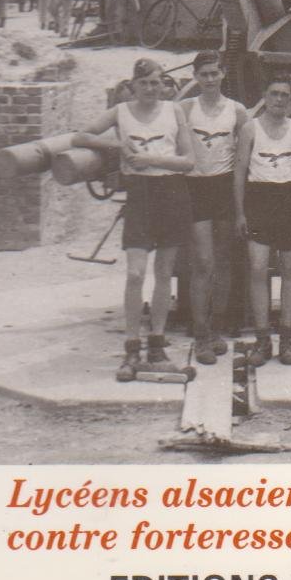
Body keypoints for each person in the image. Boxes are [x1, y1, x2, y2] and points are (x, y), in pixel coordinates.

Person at [72, 57, 196, 380]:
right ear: (133, 85)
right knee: (135, 273)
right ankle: (131, 348)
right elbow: (80, 136)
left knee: (164, 272)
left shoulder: (174, 111)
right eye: (144, 83)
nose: (150, 89)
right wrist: (116, 144)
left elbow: (188, 161)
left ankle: (156, 345)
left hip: (171, 192)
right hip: (140, 195)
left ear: (163, 85)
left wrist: (150, 158)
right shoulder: (121, 112)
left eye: (156, 83)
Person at [234, 72, 291, 368]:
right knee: (258, 270)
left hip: (289, 200)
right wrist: (240, 212)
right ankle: (262, 340)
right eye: (274, 93)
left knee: (288, 271)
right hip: (259, 199)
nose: (279, 100)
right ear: (265, 96)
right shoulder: (250, 129)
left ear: (290, 99)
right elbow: (239, 172)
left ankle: (286, 339)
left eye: (284, 95)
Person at [181, 51, 247, 364]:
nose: (209, 79)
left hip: (224, 188)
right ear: (195, 76)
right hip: (195, 188)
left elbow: (245, 155)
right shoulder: (185, 109)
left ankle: (217, 328)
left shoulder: (237, 111)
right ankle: (201, 334)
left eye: (214, 73)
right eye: (203, 74)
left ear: (223, 73)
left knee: (223, 262)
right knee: (203, 263)